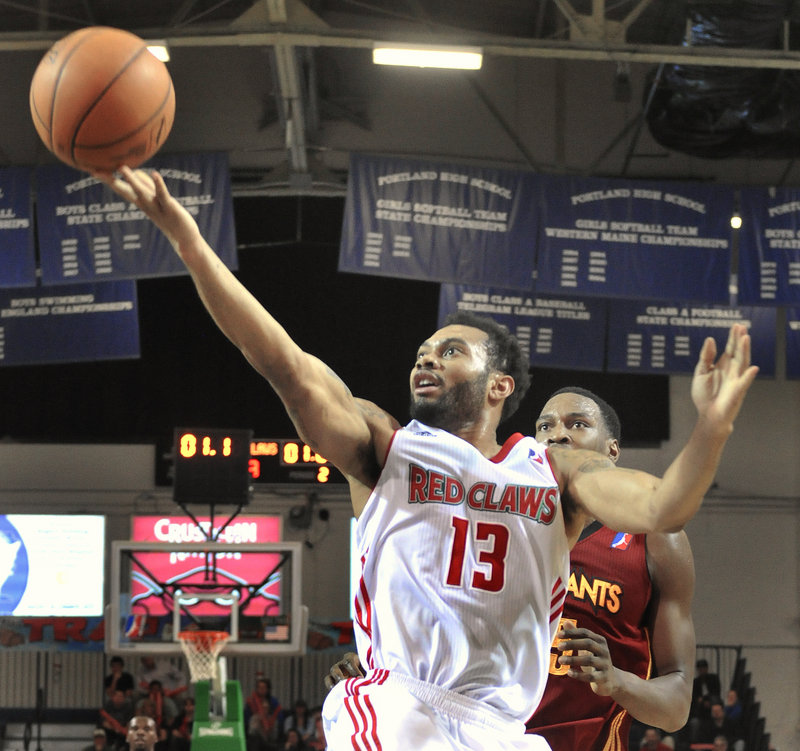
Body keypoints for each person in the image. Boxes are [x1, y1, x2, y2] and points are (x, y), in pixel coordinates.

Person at [98, 165, 757, 751]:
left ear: (499, 385)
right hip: (400, 709)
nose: (426, 357)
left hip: (503, 730)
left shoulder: (554, 472)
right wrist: (188, 241)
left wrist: (713, 427)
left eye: (449, 350)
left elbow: (665, 504)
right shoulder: (386, 445)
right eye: (422, 350)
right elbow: (284, 364)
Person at [526, 387, 695, 750]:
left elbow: (677, 705)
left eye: (578, 423)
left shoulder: (652, 539)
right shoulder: (499, 524)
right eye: (544, 425)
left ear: (612, 451)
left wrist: (614, 679)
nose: (557, 433)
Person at [245, 677, 283, 751]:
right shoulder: (252, 702)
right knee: (254, 740)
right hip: (256, 738)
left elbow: (279, 720)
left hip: (269, 739)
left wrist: (270, 726)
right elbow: (249, 728)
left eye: (264, 687)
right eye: (259, 687)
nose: (261, 689)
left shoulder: (273, 702)